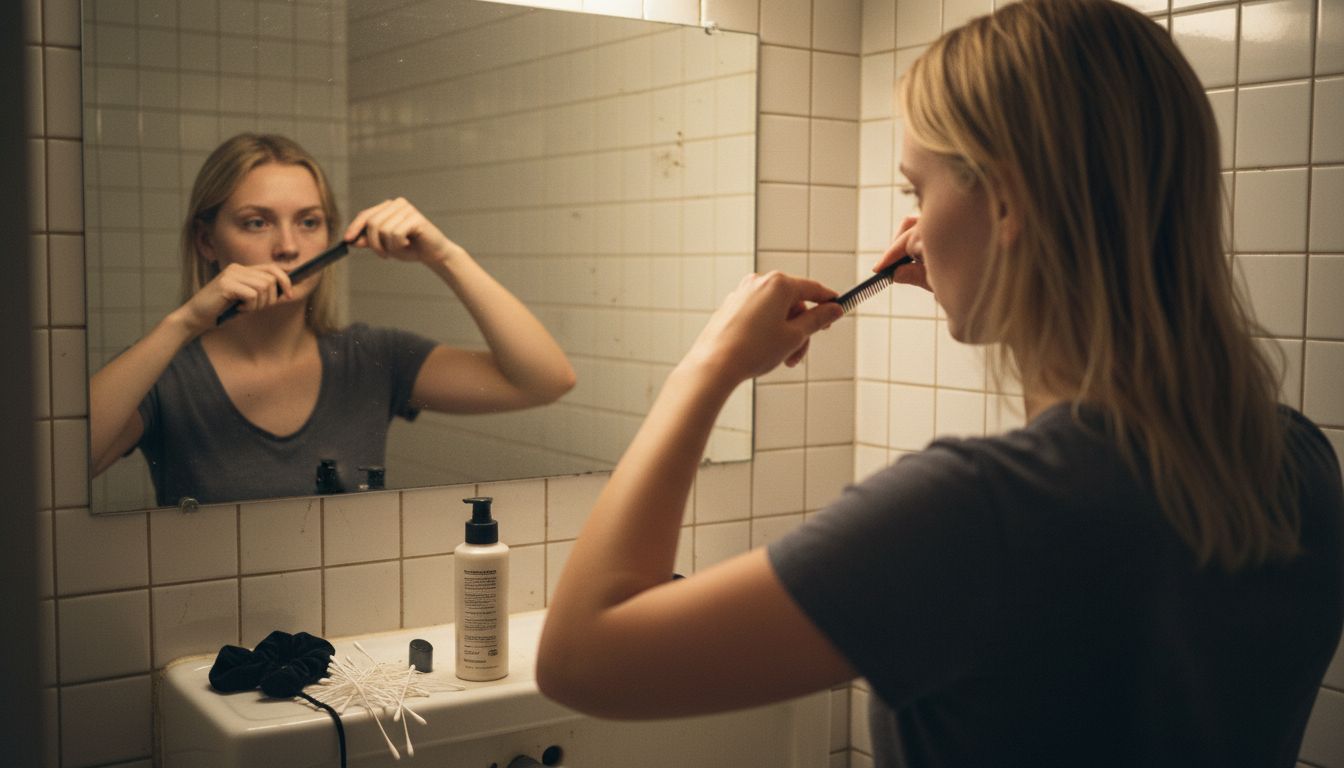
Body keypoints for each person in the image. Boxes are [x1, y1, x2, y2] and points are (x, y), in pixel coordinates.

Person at [536, 1, 1343, 765]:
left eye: (917, 189)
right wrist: (986, 281)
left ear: (1007, 203)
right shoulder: (1297, 464)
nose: (912, 227)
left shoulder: (976, 515)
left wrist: (706, 366)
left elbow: (581, 658)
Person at [90, 133, 575, 506]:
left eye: (309, 221)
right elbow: (58, 473)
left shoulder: (372, 357)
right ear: (206, 241)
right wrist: (184, 324)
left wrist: (445, 256)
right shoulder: (167, 376)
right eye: (256, 222)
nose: (287, 245)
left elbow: (545, 381)